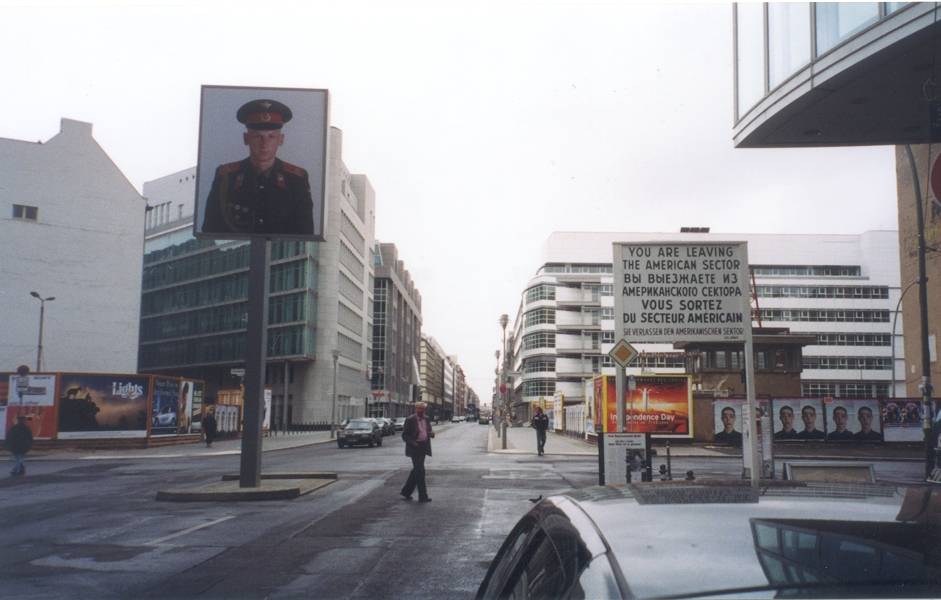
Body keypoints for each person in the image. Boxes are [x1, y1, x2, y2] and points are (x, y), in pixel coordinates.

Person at [202, 99, 314, 236]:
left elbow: (306, 233)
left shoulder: (296, 180)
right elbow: (209, 231)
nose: (264, 144)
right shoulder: (226, 176)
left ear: (281, 140)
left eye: (271, 137)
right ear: (246, 138)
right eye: (257, 136)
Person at [400, 401, 435, 503]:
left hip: (424, 446)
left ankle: (406, 492)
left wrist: (431, 434)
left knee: (416, 470)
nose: (421, 410)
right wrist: (413, 442)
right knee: (420, 471)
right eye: (419, 408)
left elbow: (428, 431)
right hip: (415, 447)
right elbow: (405, 435)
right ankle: (423, 496)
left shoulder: (427, 419)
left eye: (422, 409)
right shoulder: (410, 419)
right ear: (416, 409)